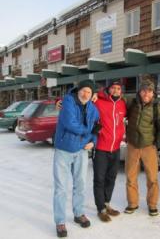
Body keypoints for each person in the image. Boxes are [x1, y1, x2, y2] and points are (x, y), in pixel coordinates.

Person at [53, 79, 99, 238]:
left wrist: (93, 141)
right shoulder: (68, 102)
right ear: (78, 90)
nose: (85, 94)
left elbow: (96, 128)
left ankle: (79, 213)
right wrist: (88, 133)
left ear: (93, 95)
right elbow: (70, 123)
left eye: (89, 92)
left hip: (81, 150)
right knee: (61, 188)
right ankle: (60, 221)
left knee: (80, 184)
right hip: (64, 150)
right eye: (83, 90)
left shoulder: (93, 109)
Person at [125, 79, 160, 216]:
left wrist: (157, 145)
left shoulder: (156, 106)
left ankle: (152, 205)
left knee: (152, 178)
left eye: (149, 91)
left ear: (153, 93)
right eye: (144, 90)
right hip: (132, 145)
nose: (146, 93)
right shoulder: (132, 103)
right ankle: (132, 203)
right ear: (139, 92)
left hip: (148, 145)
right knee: (130, 176)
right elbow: (116, 100)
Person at [93, 81, 126, 222]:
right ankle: (100, 209)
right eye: (113, 88)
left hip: (116, 148)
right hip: (101, 147)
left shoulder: (122, 104)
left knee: (111, 178)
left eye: (118, 88)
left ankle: (107, 204)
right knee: (99, 179)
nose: (116, 90)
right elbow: (79, 100)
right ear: (108, 89)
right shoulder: (97, 101)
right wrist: (59, 101)